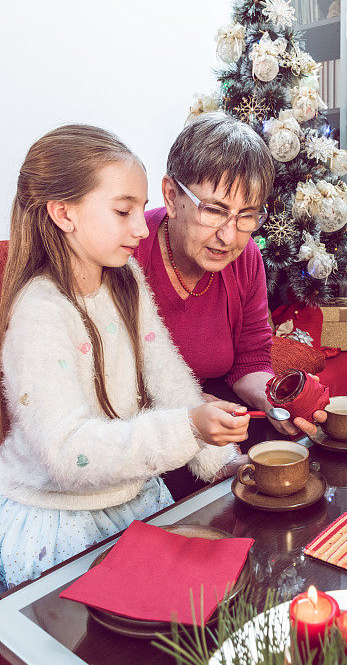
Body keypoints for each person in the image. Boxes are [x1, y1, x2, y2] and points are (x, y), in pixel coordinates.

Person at [0, 123, 250, 596]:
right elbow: (69, 455)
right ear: (63, 213)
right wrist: (189, 428)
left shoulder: (125, 278)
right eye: (123, 211)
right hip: (60, 521)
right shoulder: (39, 313)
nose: (142, 227)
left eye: (140, 209)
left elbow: (167, 373)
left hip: (134, 499)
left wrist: (219, 457)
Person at [135, 112, 327, 469]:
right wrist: (186, 410)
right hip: (143, 428)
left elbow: (250, 359)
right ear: (172, 196)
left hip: (210, 412)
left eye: (247, 216)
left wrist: (275, 400)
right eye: (214, 211)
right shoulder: (130, 251)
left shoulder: (245, 257)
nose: (229, 236)